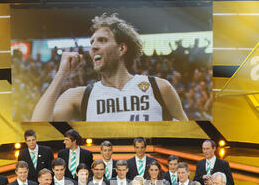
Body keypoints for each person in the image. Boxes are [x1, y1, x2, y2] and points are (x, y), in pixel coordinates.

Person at [31, 13, 188, 122]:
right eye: (92, 42)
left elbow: (187, 135)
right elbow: (38, 126)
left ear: (121, 49)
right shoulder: (79, 96)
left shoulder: (159, 88)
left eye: (102, 40)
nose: (93, 47)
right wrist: (61, 74)